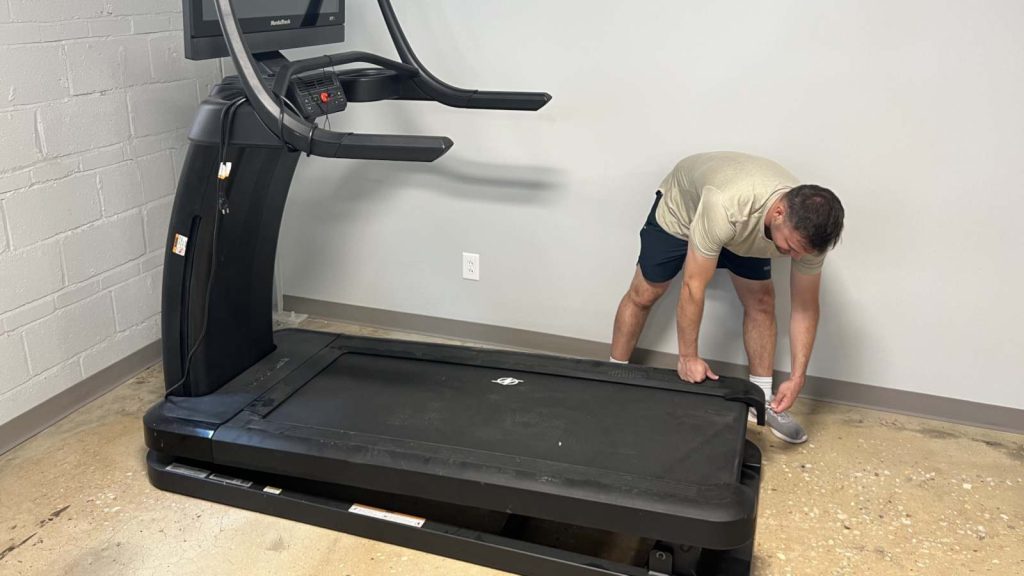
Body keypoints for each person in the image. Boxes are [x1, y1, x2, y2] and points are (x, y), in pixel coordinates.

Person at [610, 151, 844, 444]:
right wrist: (687, 357)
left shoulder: (808, 239)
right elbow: (694, 286)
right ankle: (613, 375)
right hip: (684, 210)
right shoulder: (726, 204)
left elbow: (805, 309)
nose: (796, 258)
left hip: (744, 227)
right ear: (779, 213)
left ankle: (763, 400)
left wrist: (798, 377)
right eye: (792, 247)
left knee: (761, 301)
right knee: (645, 293)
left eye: (803, 252)